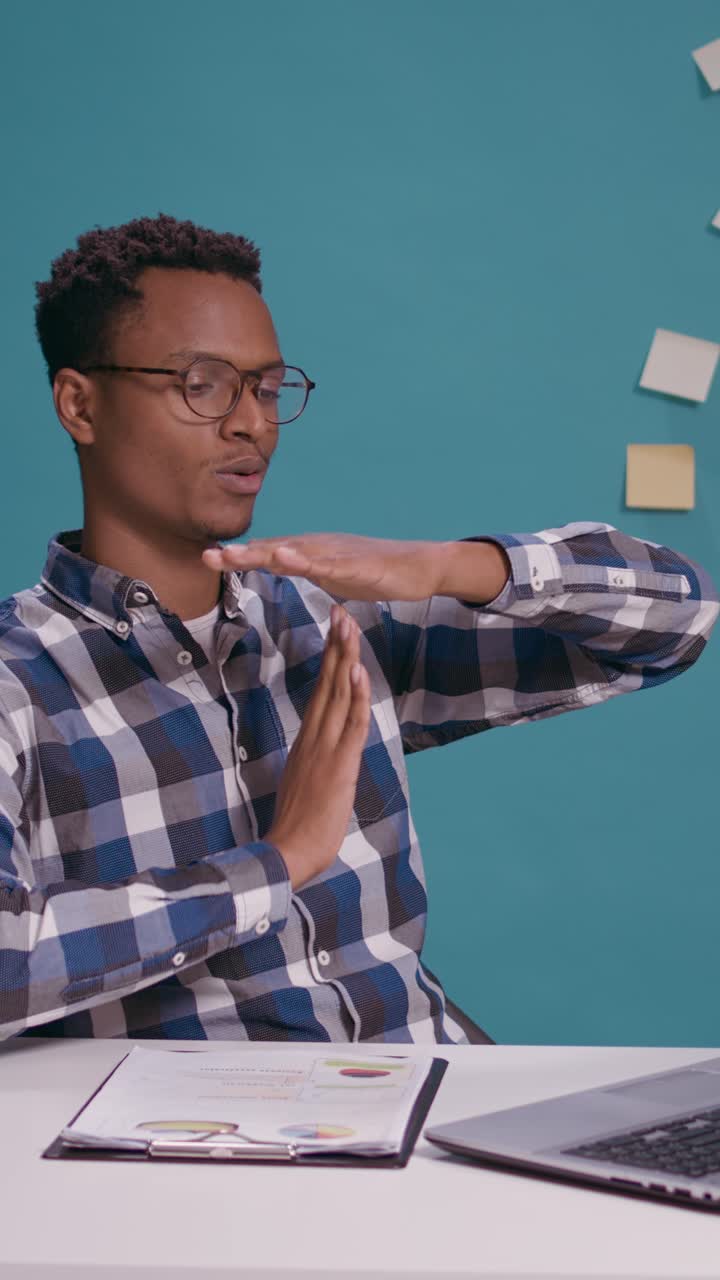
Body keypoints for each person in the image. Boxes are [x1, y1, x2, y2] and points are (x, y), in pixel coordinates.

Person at [0, 213, 717, 1044]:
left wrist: (450, 568)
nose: (252, 424)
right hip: (209, 1152)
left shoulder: (330, 629)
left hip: (431, 1117)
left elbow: (677, 617)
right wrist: (278, 861)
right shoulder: (18, 681)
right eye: (203, 384)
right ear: (79, 405)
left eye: (267, 388)